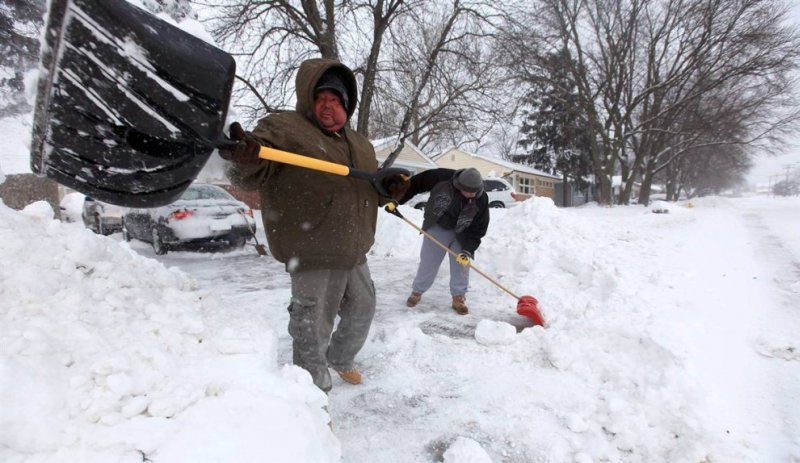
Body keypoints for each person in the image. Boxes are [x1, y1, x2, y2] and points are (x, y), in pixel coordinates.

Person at [221, 58, 404, 393]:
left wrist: (388, 190)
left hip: (354, 250)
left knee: (363, 308)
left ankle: (340, 357)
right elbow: (251, 166)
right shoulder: (285, 131)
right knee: (311, 327)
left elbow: (368, 191)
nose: (326, 105)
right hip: (313, 251)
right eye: (319, 98)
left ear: (346, 105)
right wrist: (244, 158)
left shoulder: (360, 145)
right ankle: (311, 393)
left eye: (334, 100)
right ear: (308, 101)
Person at [389, 168, 490, 315]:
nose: (472, 195)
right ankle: (417, 291)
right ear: (459, 185)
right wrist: (396, 201)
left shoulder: (481, 198)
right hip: (438, 225)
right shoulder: (441, 178)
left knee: (461, 264)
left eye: (475, 192)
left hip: (463, 232)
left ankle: (458, 297)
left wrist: (468, 250)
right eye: (468, 192)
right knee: (428, 262)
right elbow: (415, 184)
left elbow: (479, 228)